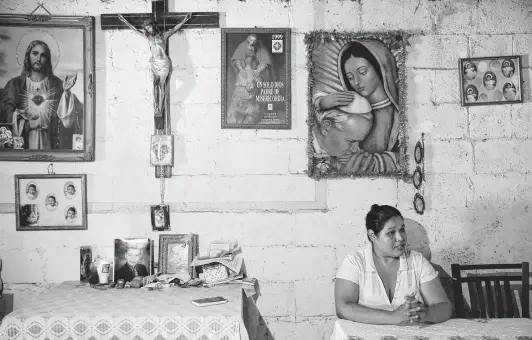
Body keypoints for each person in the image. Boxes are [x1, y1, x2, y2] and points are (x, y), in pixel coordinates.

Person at [333, 205, 451, 327]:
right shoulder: (355, 262)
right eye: (391, 233)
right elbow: (343, 308)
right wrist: (393, 317)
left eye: (402, 229)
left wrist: (425, 313)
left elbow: (444, 307)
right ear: (372, 235)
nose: (401, 238)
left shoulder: (417, 261)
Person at [313, 40, 401, 174]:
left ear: (381, 68)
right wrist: (320, 103)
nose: (356, 82)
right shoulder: (349, 109)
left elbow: (409, 157)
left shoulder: (401, 116)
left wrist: (378, 163)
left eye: (362, 72)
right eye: (349, 77)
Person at [0, 40, 83, 149]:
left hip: (50, 142)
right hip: (24, 142)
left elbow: (72, 116)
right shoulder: (14, 85)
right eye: (35, 54)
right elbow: (6, 113)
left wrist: (66, 93)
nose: (38, 59)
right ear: (28, 56)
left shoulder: (57, 85)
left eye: (43, 55)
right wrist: (26, 123)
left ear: (47, 59)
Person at [118, 13, 192, 119]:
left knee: (161, 85)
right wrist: (124, 20)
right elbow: (135, 29)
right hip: (154, 63)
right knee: (154, 85)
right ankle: (156, 107)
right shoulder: (147, 37)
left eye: (149, 26)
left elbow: (175, 29)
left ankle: (160, 109)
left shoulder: (163, 35)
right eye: (146, 28)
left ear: (153, 25)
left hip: (163, 63)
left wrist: (185, 19)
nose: (148, 29)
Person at [226, 34, 274, 125]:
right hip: (244, 71)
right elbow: (237, 60)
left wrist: (258, 71)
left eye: (254, 41)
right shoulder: (242, 46)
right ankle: (237, 116)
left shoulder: (259, 47)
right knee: (240, 93)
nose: (253, 42)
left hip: (254, 71)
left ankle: (249, 116)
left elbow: (265, 61)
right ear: (247, 40)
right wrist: (242, 70)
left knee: (253, 92)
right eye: (251, 40)